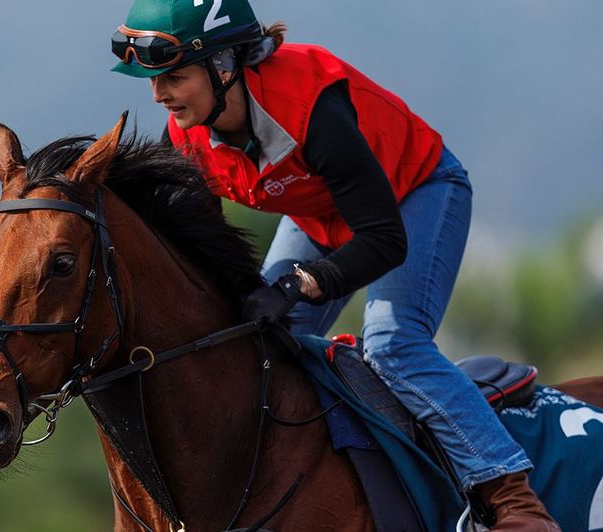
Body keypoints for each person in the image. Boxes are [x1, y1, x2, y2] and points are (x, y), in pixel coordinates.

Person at [110, 0, 560, 530]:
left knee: (394, 346)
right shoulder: (185, 135)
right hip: (319, 211)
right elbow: (203, 253)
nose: (158, 95)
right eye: (153, 80)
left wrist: (299, 285)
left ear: (225, 66)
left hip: (416, 194)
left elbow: (384, 240)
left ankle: (511, 496)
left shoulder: (310, 106)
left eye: (174, 77)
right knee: (255, 341)